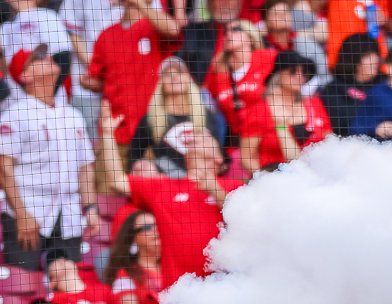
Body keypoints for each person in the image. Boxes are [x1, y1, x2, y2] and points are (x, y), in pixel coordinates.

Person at [98, 103, 242, 290]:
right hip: (177, 295)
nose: (196, 135)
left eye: (205, 135)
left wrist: (216, 191)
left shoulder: (234, 186)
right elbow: (116, 180)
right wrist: (108, 134)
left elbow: (247, 220)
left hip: (222, 289)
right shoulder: (163, 186)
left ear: (218, 158)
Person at [0, 47, 101, 272]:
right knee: (22, 284)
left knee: (70, 285)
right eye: (38, 58)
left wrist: (91, 207)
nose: (48, 58)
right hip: (28, 211)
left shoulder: (73, 114)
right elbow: (3, 169)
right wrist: (22, 215)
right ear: (25, 76)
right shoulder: (15, 114)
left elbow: (85, 167)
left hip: (69, 215)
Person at [82, 0, 183, 147]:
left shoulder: (154, 27)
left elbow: (174, 29)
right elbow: (96, 79)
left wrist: (139, 3)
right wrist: (87, 83)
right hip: (117, 133)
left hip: (155, 131)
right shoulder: (106, 35)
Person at [128, 56, 223, 178]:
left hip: (202, 179)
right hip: (167, 182)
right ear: (161, 83)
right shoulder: (151, 119)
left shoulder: (207, 115)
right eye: (167, 74)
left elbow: (221, 156)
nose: (174, 77)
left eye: (179, 72)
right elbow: (134, 158)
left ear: (188, 78)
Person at [240, 50, 331, 174]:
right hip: (277, 178)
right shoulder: (259, 110)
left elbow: (329, 141)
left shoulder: (314, 103)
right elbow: (247, 158)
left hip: (317, 175)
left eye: (304, 72)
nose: (300, 76)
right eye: (293, 71)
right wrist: (265, 179)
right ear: (278, 74)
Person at [204, 18, 278, 140]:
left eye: (236, 30)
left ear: (250, 37)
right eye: (226, 32)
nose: (228, 34)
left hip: (270, 134)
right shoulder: (217, 71)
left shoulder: (268, 58)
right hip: (237, 140)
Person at [103, 212, 164, 304]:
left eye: (158, 225)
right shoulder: (125, 274)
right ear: (133, 238)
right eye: (147, 227)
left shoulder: (172, 266)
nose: (155, 230)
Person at [319, 33, 381, 137]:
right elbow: (342, 124)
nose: (375, 60)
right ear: (353, 59)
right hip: (350, 145)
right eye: (368, 55)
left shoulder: (384, 83)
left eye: (375, 54)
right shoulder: (333, 89)